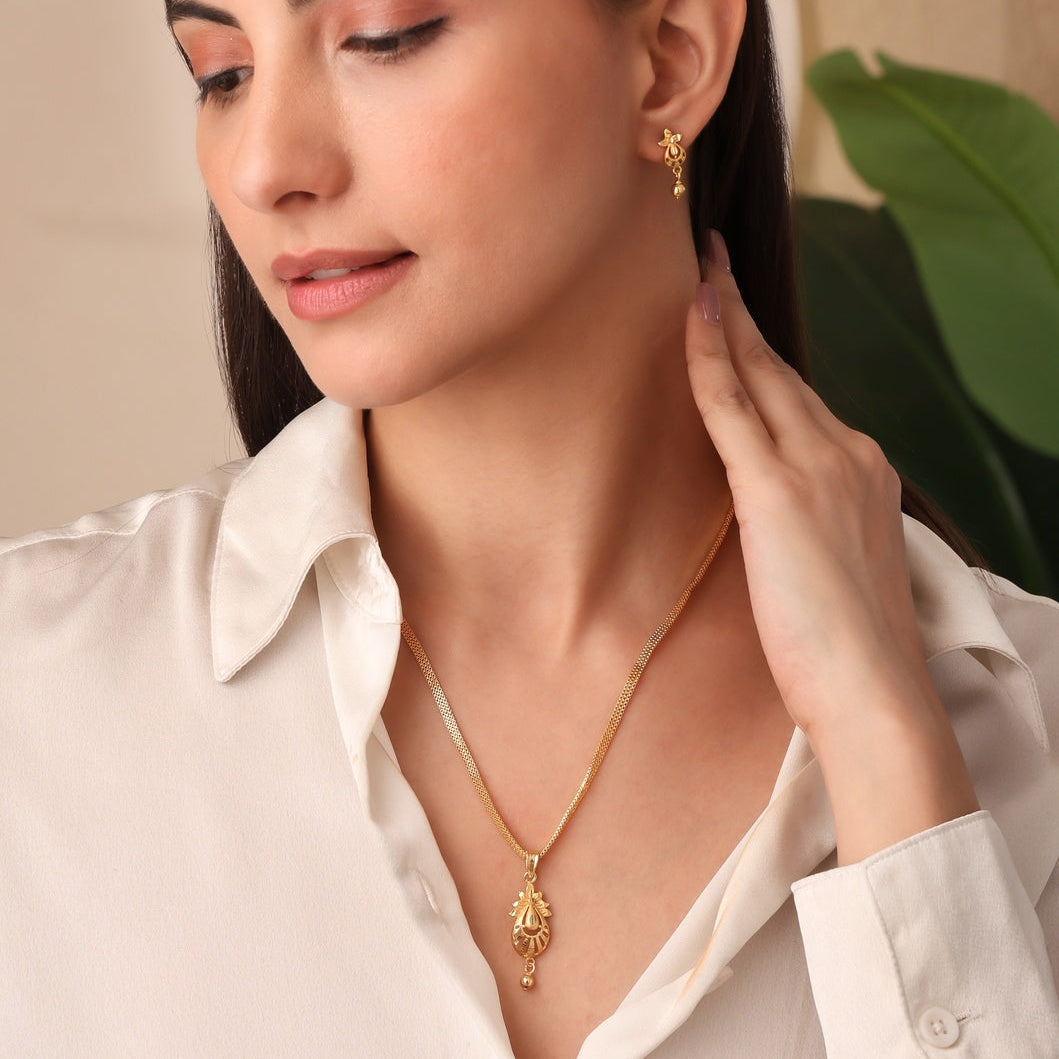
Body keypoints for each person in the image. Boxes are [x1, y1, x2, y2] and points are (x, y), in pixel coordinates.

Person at [2, 0, 1057, 1056]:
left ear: (669, 56)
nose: (265, 166)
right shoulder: (40, 701)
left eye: (381, 38)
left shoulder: (1026, 724)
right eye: (221, 72)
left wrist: (890, 755)